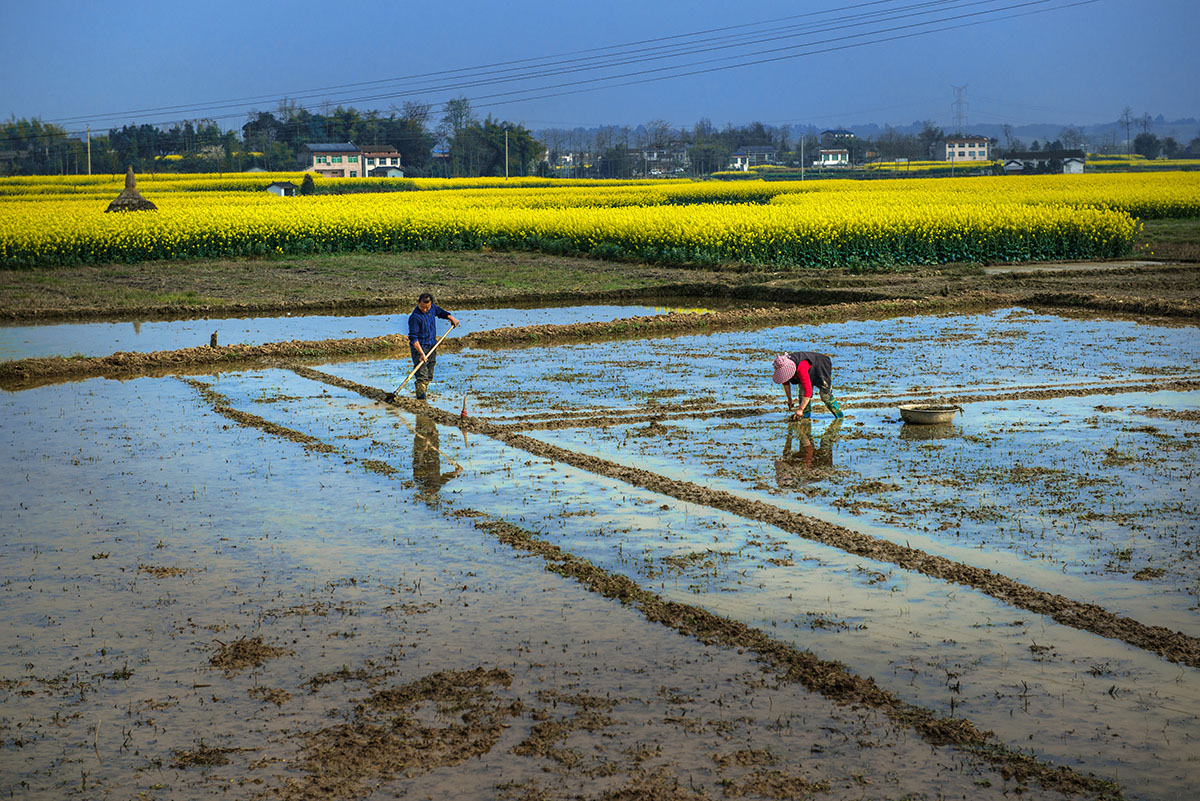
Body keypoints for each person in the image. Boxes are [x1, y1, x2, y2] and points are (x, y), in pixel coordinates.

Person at [406, 292, 459, 400]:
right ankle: (421, 400)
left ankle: (423, 394)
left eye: (427, 307)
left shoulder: (432, 309)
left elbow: (440, 312)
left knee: (429, 374)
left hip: (432, 346)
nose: (425, 310)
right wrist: (421, 353)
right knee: (422, 375)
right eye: (422, 307)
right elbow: (413, 339)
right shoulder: (415, 318)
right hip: (419, 348)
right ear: (418, 303)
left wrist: (451, 318)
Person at [772, 351, 844, 420]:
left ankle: (840, 416)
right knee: (802, 394)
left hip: (821, 366)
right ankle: (805, 418)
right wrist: (789, 399)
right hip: (807, 370)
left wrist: (800, 409)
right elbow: (785, 383)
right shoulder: (783, 368)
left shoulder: (801, 368)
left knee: (826, 396)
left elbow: (808, 391)